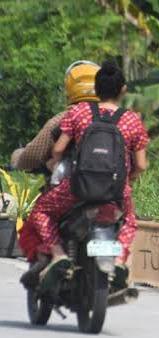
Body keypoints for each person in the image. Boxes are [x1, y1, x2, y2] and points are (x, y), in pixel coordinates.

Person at [23, 60, 149, 290]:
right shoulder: (132, 120)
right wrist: (126, 180)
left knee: (41, 211)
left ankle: (59, 255)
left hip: (77, 188)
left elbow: (59, 149)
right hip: (116, 191)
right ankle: (119, 261)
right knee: (129, 220)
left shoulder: (78, 113)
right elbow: (141, 164)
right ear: (123, 89)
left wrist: (57, 161)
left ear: (96, 88)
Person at [17, 61, 100, 275]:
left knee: (40, 215)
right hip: (111, 190)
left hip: (70, 190)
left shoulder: (63, 118)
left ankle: (56, 256)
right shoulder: (118, 117)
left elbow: (34, 153)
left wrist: (18, 158)